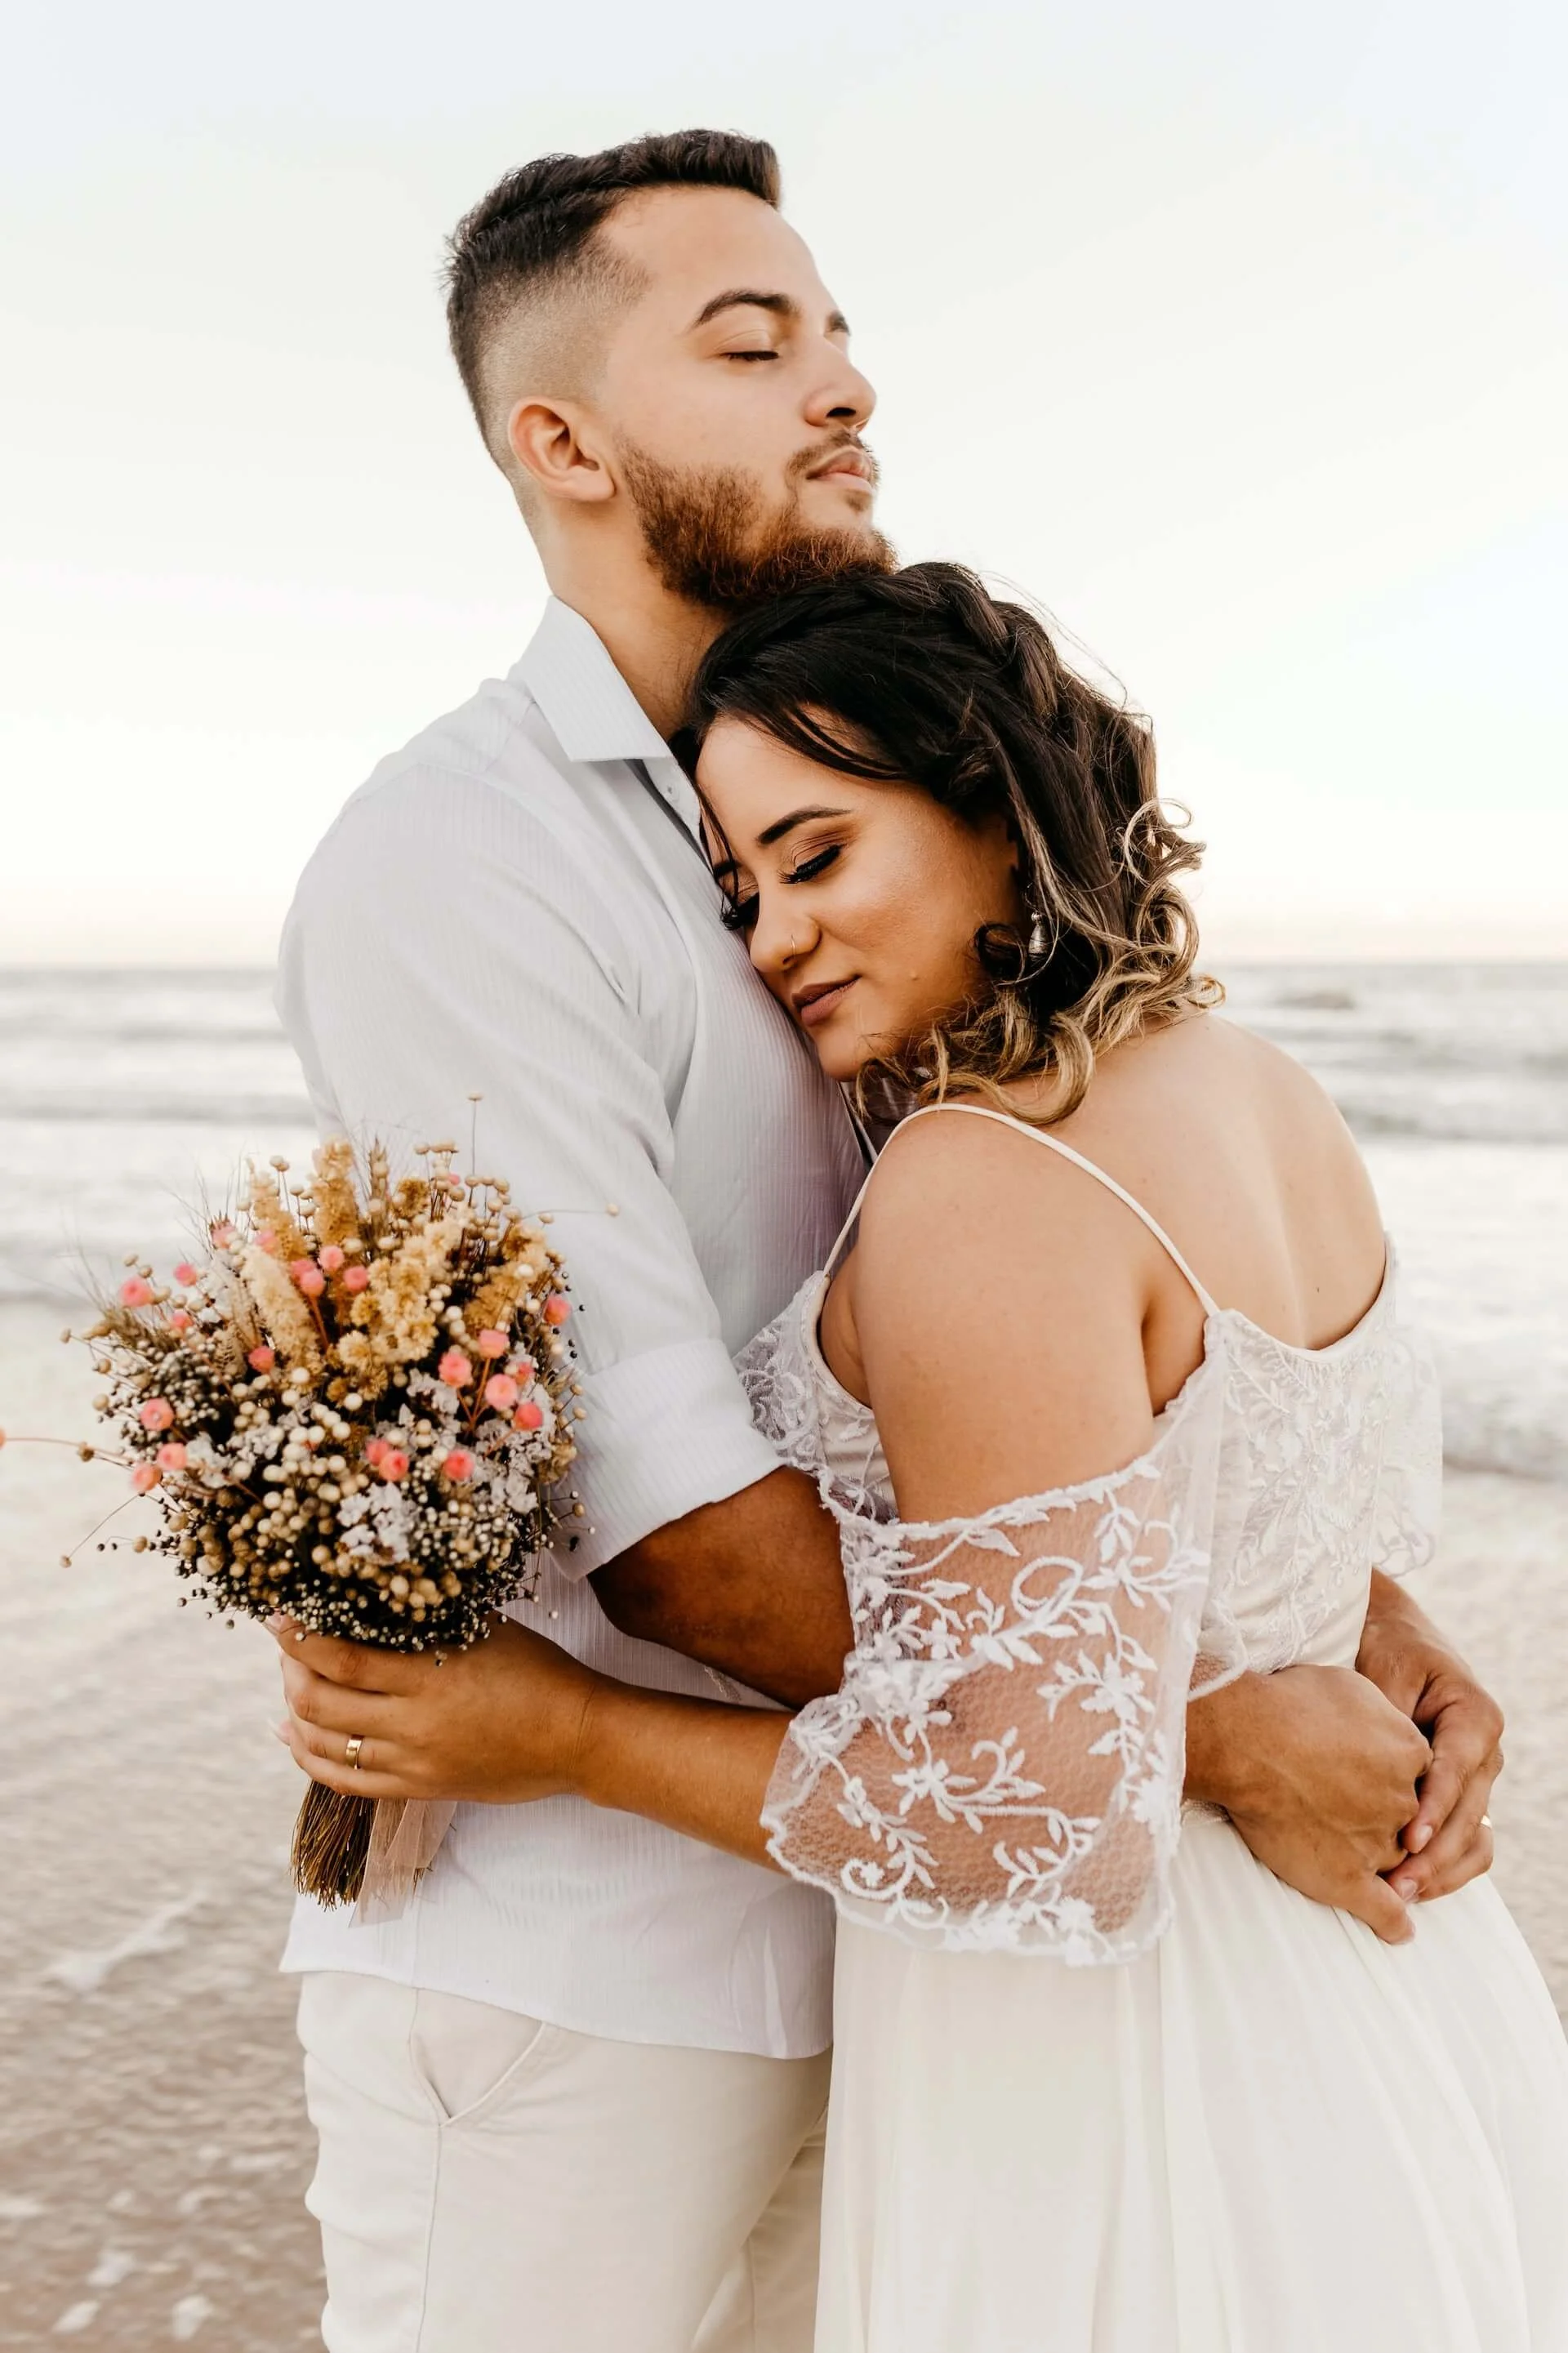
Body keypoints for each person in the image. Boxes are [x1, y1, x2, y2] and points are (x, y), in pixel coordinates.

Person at [275, 135, 1508, 2353]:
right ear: (557, 441)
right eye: (753, 347)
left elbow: (1108, 1366)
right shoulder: (464, 866)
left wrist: (1346, 1597)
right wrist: (1216, 1721)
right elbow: (671, 1525)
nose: (843, 393)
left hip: (932, 1951)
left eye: (843, 343)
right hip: (603, 1989)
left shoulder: (850, 852)